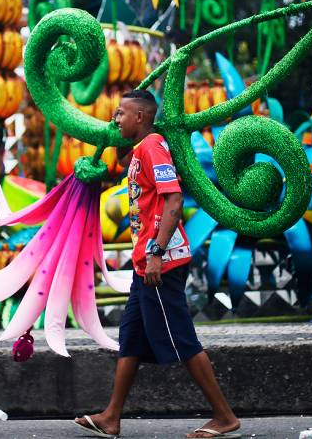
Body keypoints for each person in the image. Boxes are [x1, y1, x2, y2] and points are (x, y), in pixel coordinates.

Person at [75, 90, 240, 439]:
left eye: (121, 113)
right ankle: (111, 417)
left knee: (181, 338)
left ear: (140, 117)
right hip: (143, 266)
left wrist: (156, 252)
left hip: (160, 264)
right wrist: (110, 136)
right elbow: (121, 162)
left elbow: (174, 198)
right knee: (131, 338)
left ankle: (224, 417)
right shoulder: (138, 149)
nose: (115, 118)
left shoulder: (152, 146)